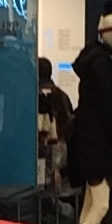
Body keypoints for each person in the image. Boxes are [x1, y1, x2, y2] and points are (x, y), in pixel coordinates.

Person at [69, 14, 112, 224]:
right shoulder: (105, 65)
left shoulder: (95, 62)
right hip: (101, 145)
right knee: (101, 204)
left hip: (91, 142)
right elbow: (111, 107)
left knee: (91, 201)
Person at [35, 57, 74, 196]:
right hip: (60, 147)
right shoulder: (62, 96)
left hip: (38, 148)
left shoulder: (32, 96)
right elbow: (69, 121)